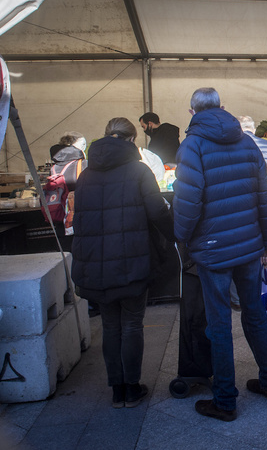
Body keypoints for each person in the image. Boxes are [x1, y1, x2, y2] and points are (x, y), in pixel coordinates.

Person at [174, 87, 267, 422]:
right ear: (223, 107)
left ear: (192, 112)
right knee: (254, 314)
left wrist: (182, 238)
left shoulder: (192, 145)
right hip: (249, 246)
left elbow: (187, 203)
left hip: (212, 250)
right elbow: (265, 196)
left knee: (219, 324)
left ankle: (225, 401)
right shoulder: (247, 141)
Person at [71, 118, 174, 409]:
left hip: (96, 264)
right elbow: (157, 211)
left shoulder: (86, 175)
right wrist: (176, 235)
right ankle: (132, 387)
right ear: (131, 141)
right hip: (132, 262)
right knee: (131, 324)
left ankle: (117, 390)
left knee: (110, 326)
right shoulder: (139, 170)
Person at [230, 115, 267, 311]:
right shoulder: (265, 145)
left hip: (239, 206)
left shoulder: (234, 146)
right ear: (253, 129)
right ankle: (256, 294)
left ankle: (238, 298)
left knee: (238, 252)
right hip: (260, 201)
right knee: (256, 248)